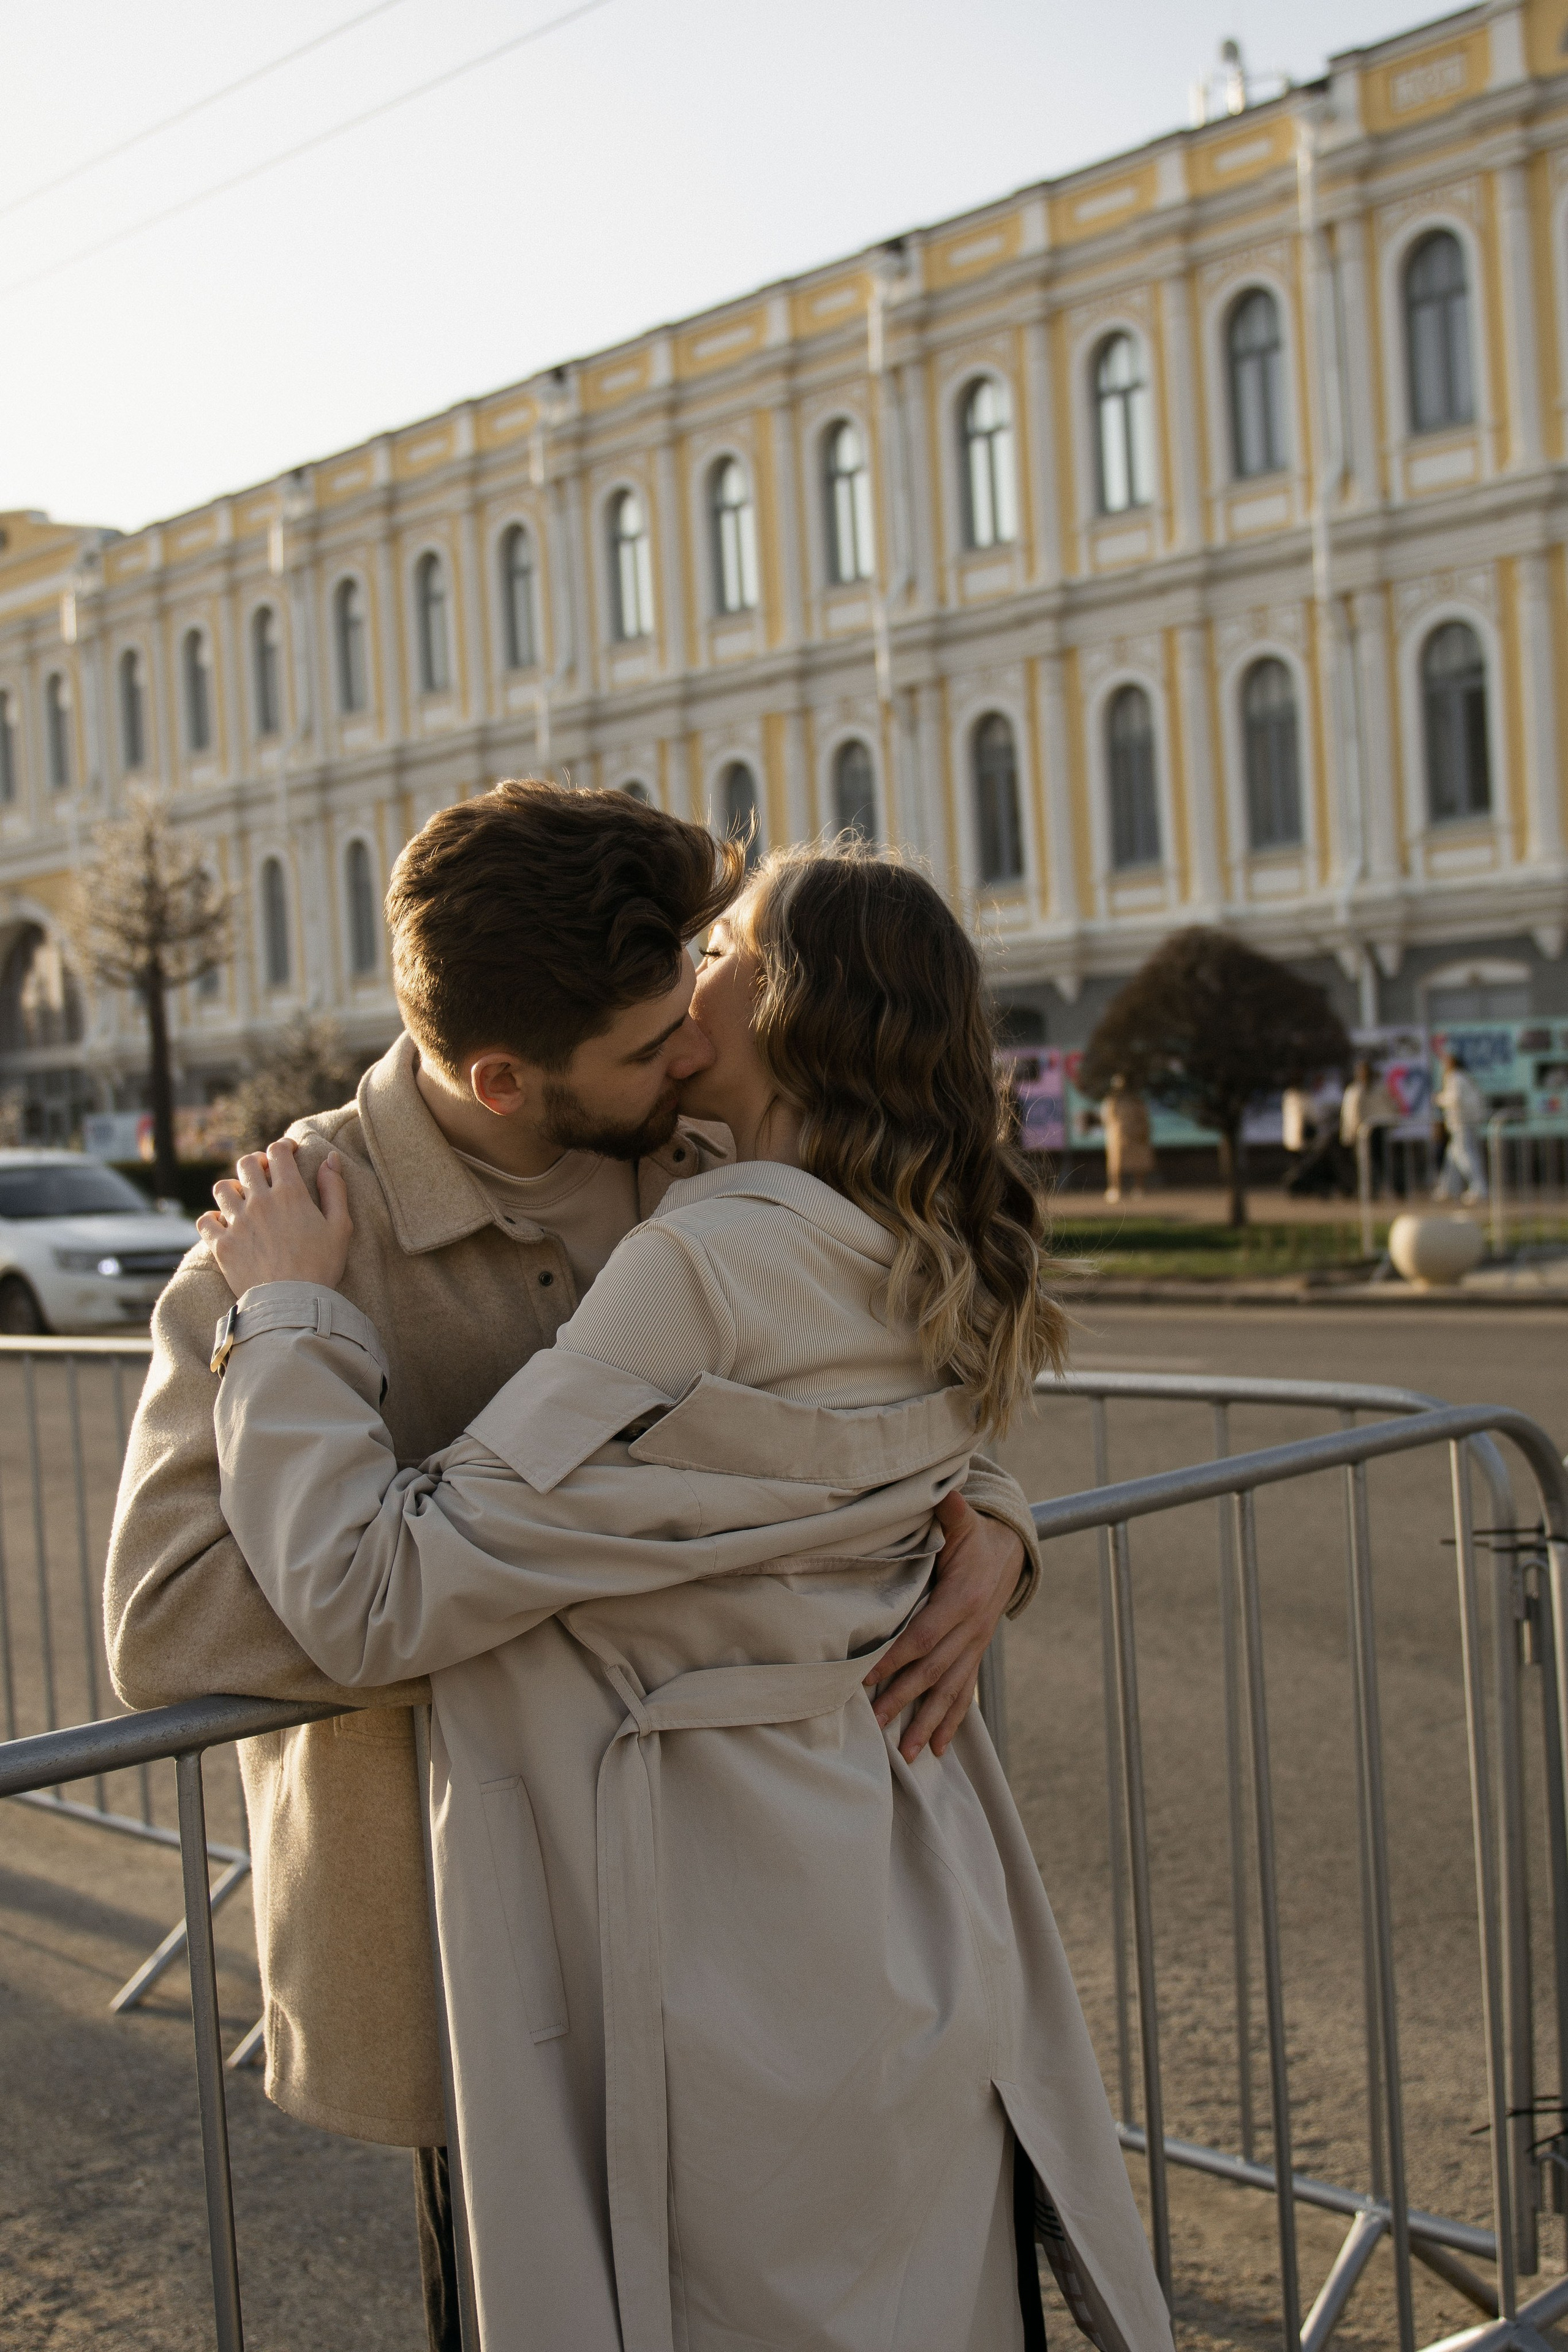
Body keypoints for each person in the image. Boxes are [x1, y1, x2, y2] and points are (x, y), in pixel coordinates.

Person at [197, 845, 1173, 2352]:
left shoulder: (705, 1257)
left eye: (722, 947)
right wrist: (990, 1519)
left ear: (784, 1010)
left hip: (699, 1954)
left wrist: (286, 1316)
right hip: (897, 1906)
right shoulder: (922, 1240)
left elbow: (372, 1592)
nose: (686, 962)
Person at [1433, 1049, 1488, 1203]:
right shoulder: (1463, 1077)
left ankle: (1479, 1188)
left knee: (1464, 1155)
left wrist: (1440, 1099)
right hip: (1463, 1122)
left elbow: (1455, 1099)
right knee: (1452, 1156)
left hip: (1461, 1122)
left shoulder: (1455, 1078)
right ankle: (1448, 1188)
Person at [1339, 1058, 1398, 1199]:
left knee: (1380, 1162)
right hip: (1360, 1133)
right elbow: (1349, 1116)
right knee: (1362, 1163)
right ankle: (1366, 1191)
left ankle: (1383, 1190)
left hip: (1378, 1132)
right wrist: (1349, 1135)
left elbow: (1390, 1109)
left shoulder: (1380, 1089)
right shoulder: (1354, 1091)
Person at [1101, 1074, 1154, 1204]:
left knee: (1138, 1162)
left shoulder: (1136, 1101)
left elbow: (1144, 1118)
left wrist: (1143, 1131)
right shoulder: (1111, 1101)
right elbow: (1107, 1118)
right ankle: (1115, 1189)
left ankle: (1139, 1188)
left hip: (1136, 1134)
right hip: (1118, 1136)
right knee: (1115, 1164)